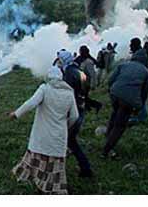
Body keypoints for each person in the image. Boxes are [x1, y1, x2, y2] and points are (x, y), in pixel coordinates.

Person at [9, 66, 79, 195]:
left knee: (39, 157)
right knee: (54, 163)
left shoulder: (45, 89)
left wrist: (16, 114)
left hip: (42, 134)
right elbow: (75, 116)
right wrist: (66, 126)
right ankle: (51, 186)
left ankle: (37, 181)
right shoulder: (69, 93)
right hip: (59, 136)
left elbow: (31, 103)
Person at [103, 39, 148, 157]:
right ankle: (106, 151)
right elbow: (144, 92)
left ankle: (108, 137)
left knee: (114, 115)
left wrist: (111, 91)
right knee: (120, 126)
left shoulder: (124, 65)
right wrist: (139, 106)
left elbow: (110, 80)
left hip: (115, 94)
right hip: (129, 100)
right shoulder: (145, 72)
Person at [56, 50, 93, 178]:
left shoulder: (69, 74)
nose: (58, 63)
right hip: (80, 107)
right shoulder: (79, 71)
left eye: (59, 60)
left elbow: (67, 95)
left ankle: (85, 169)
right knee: (69, 140)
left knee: (69, 141)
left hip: (73, 110)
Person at [75, 45, 102, 113]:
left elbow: (92, 75)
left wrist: (93, 85)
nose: (80, 52)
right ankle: (90, 108)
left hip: (86, 83)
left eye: (81, 51)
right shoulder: (81, 59)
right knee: (84, 97)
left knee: (83, 97)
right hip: (82, 82)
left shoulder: (88, 62)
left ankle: (96, 105)